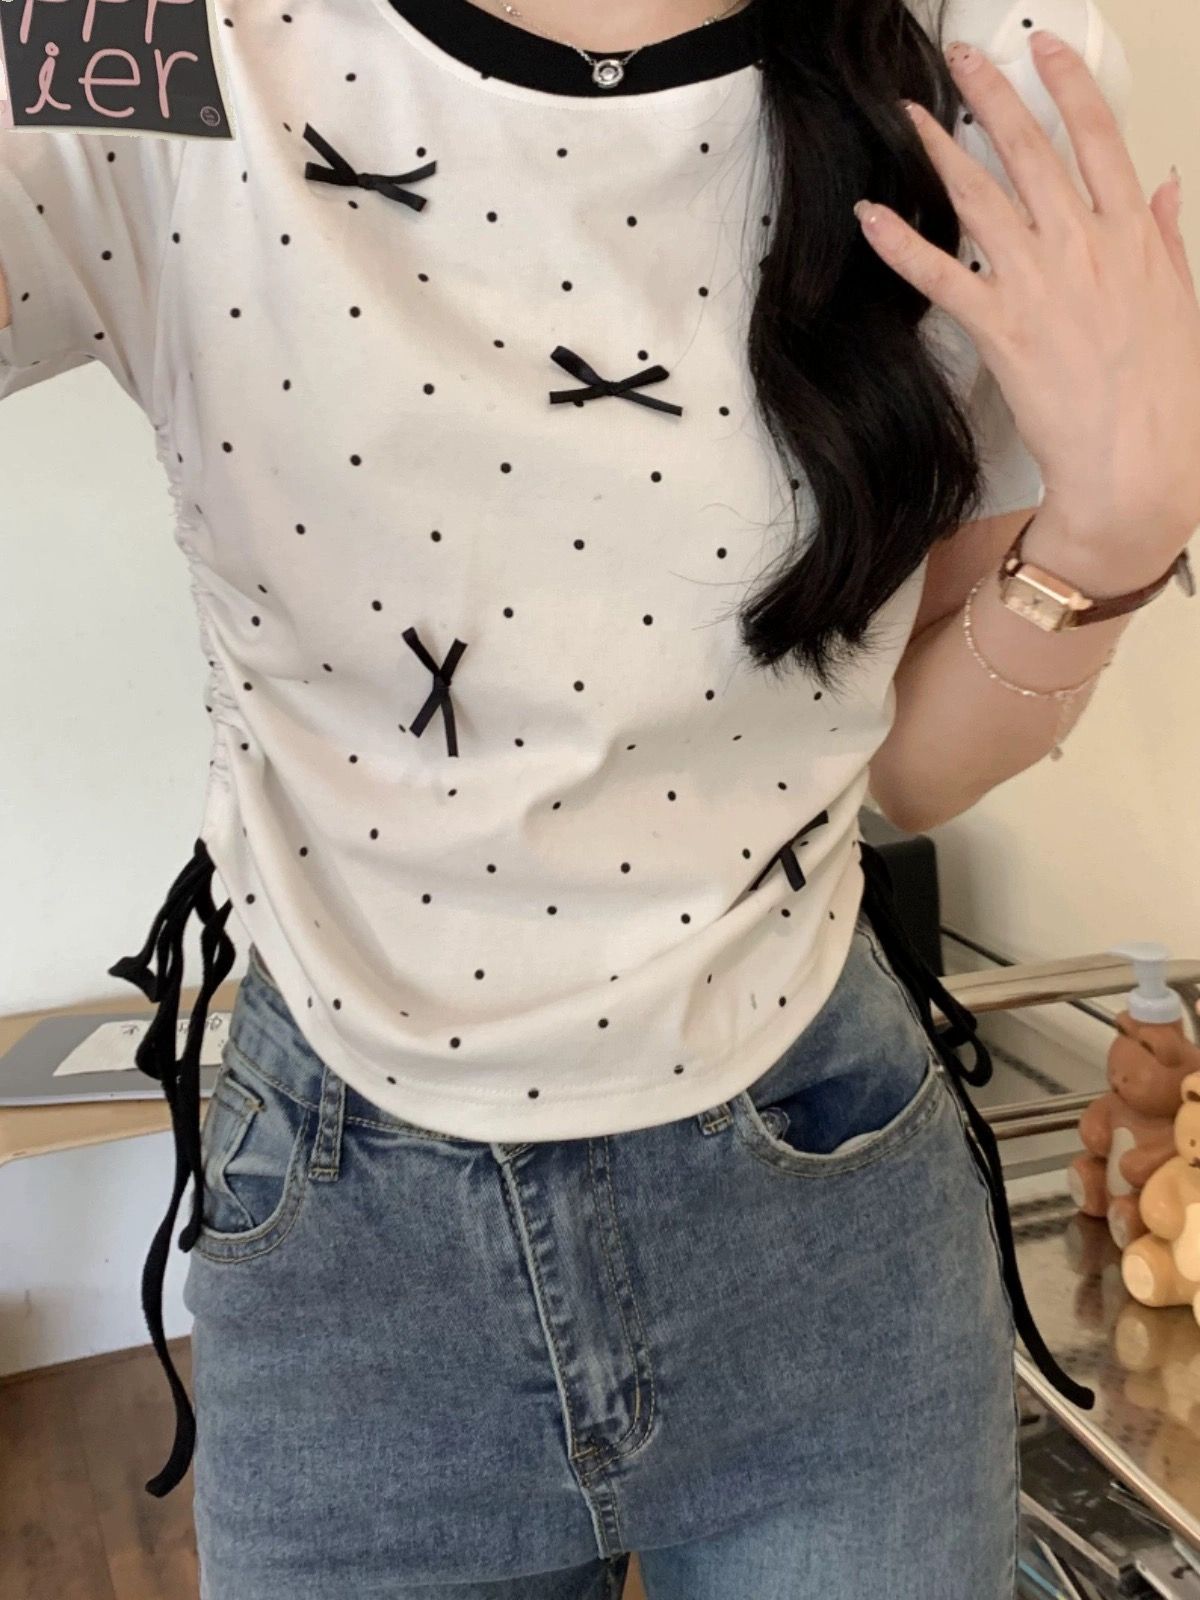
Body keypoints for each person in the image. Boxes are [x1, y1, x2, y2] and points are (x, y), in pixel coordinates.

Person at [3, 0, 1196, 1593]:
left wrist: (1114, 534)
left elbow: (905, 763)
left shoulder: (986, 47)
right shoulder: (145, 31)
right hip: (353, 1265)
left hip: (826, 1209)